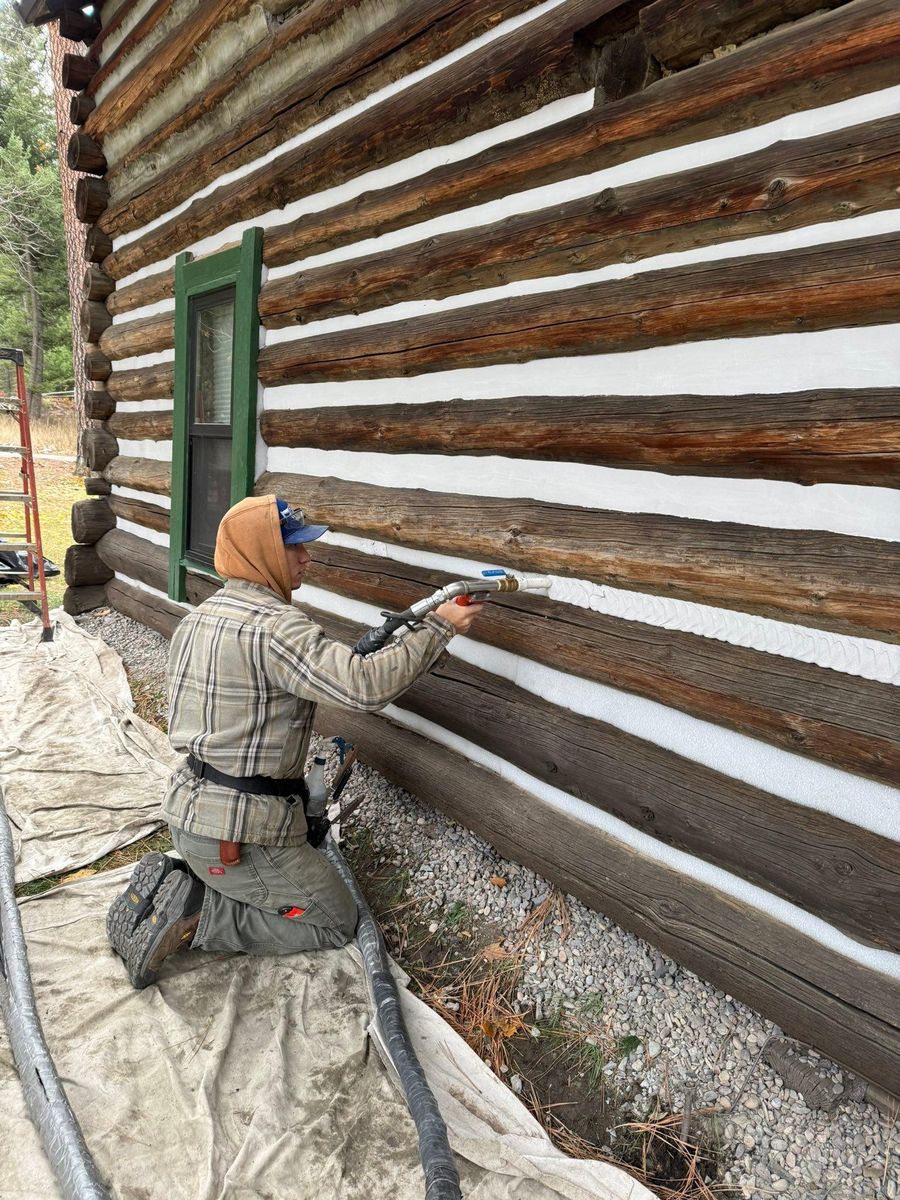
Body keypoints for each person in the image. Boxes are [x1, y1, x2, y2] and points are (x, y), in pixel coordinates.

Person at [106, 494, 484, 989]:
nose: (307, 557)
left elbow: (323, 672)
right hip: (237, 836)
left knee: (280, 875)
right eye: (294, 547)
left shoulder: (201, 616)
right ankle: (201, 913)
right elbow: (363, 687)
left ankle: (190, 883)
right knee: (334, 919)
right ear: (260, 552)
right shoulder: (276, 627)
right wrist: (438, 627)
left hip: (190, 814)